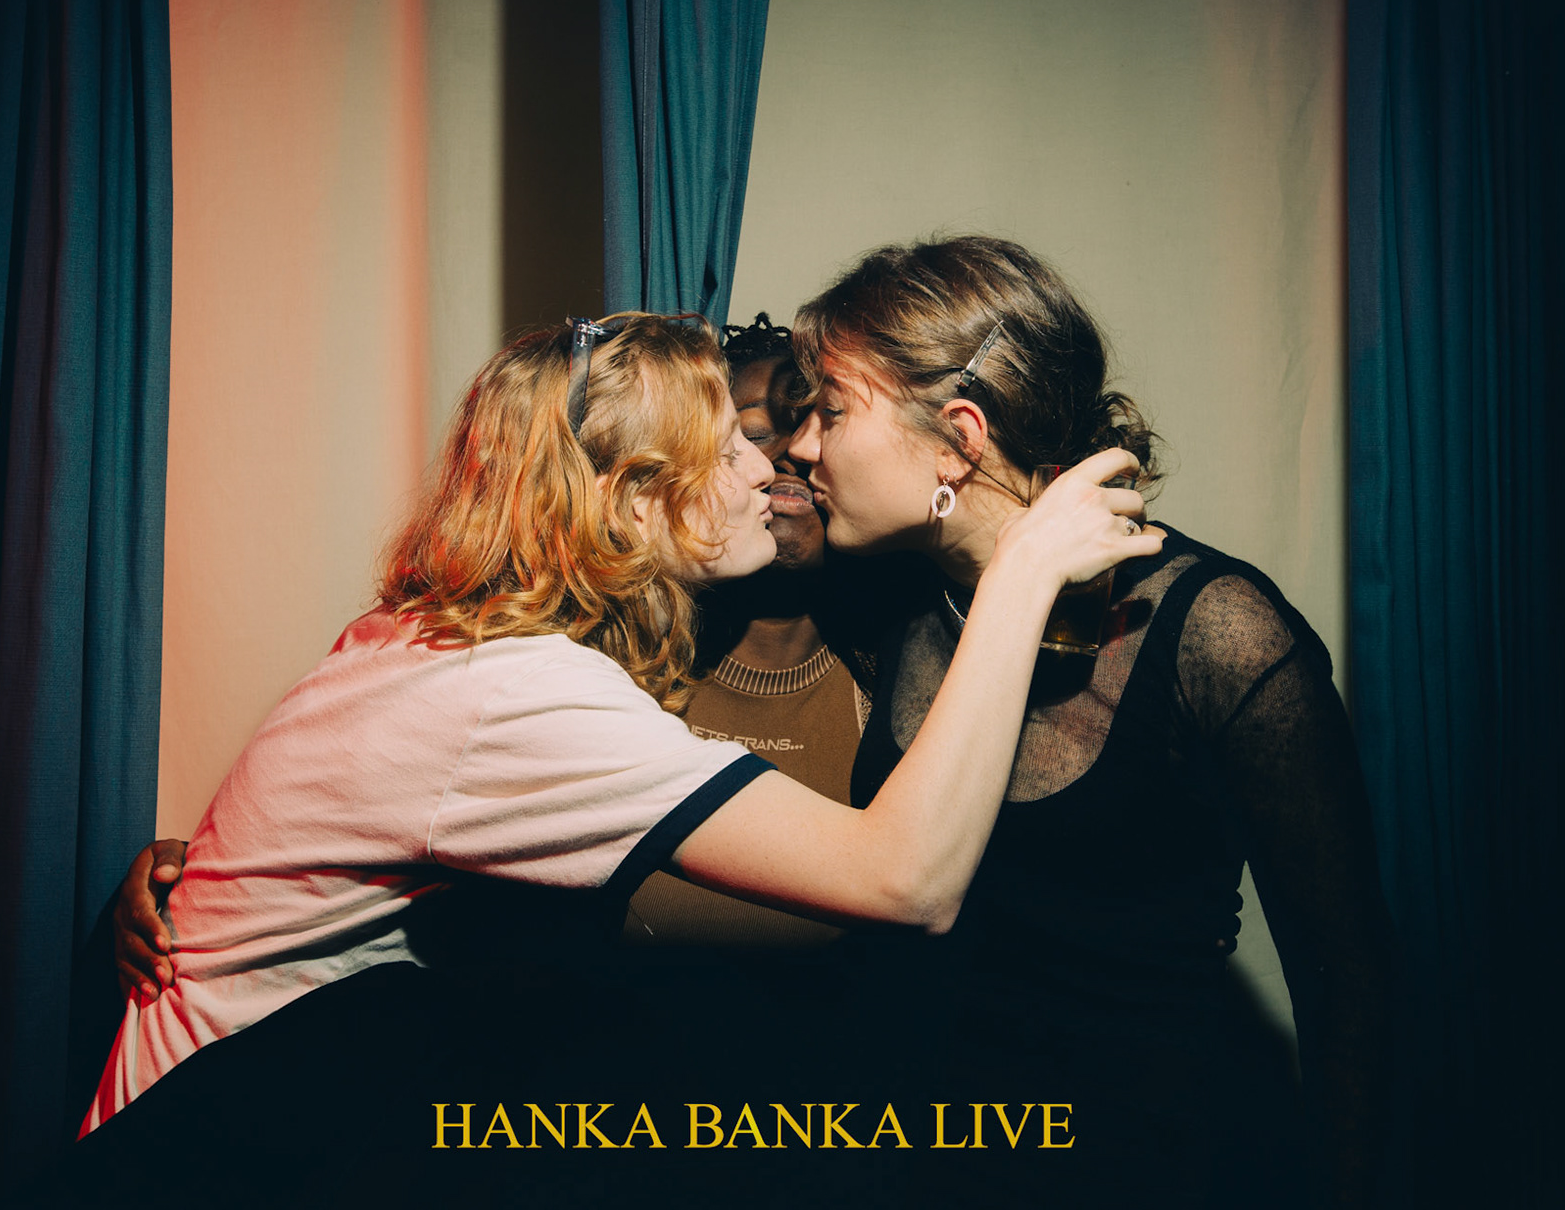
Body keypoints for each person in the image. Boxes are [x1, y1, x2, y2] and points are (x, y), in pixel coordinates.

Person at [73, 312, 1158, 1183]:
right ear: (633, 500)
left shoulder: (429, 632)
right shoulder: (519, 693)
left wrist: (209, 878)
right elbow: (907, 880)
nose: (768, 469)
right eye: (726, 449)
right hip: (207, 1151)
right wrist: (1024, 571)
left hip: (249, 1120)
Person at [784, 236, 1395, 1209]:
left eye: (832, 411)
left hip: (1148, 1170)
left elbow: (1351, 987)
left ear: (958, 441)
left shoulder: (1218, 633)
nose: (802, 445)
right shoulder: (887, 601)